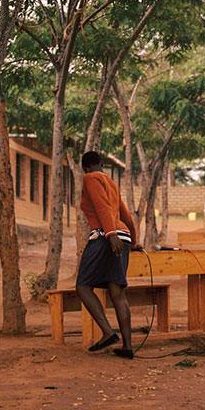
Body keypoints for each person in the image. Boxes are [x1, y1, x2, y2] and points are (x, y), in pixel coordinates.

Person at [76, 150, 139, 359]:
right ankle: (128, 347)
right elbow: (125, 214)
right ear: (101, 164)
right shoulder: (111, 183)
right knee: (117, 292)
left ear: (85, 167)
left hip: (107, 236)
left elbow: (102, 207)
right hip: (124, 236)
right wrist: (135, 241)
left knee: (83, 286)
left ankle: (108, 333)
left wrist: (111, 234)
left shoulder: (90, 178)